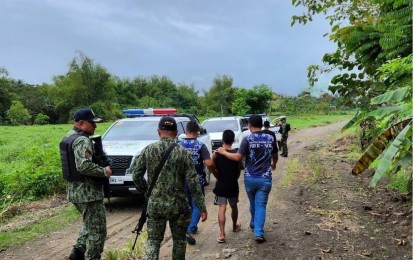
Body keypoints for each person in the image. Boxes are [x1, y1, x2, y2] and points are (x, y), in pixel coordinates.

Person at [130, 116, 207, 260]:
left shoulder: (148, 150)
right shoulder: (183, 153)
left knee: (153, 241)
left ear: (158, 132)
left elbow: (136, 175)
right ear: (177, 132)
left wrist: (147, 191)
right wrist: (202, 206)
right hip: (178, 205)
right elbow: (193, 182)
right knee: (179, 241)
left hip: (155, 204)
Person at [59, 108, 112, 260]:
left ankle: (77, 254)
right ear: (81, 123)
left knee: (89, 225)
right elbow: (83, 165)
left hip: (75, 192)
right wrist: (104, 171)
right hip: (88, 194)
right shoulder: (82, 140)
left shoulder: (68, 137)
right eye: (92, 123)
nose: (95, 127)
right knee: (98, 231)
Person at [217, 114, 278, 243]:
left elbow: (238, 157)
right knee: (260, 204)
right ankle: (258, 232)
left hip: (250, 179)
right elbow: (275, 155)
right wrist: (274, 164)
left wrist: (223, 152)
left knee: (253, 203)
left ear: (249, 126)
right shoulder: (270, 138)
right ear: (261, 125)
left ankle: (254, 223)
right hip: (265, 178)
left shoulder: (247, 139)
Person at [178, 120, 215, 245]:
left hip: (182, 181)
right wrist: (213, 171)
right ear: (198, 133)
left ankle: (190, 226)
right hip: (197, 180)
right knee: (197, 205)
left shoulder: (179, 145)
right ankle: (190, 229)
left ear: (186, 131)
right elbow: (208, 163)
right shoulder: (200, 145)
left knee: (188, 205)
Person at [212, 130, 242, 243]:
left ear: (222, 140)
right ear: (233, 140)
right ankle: (234, 226)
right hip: (233, 184)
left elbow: (213, 166)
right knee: (234, 206)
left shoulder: (217, 153)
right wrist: (234, 178)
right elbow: (239, 170)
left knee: (222, 208)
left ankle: (222, 234)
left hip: (221, 185)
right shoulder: (236, 154)